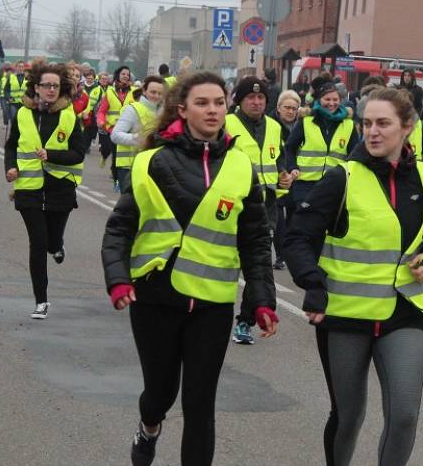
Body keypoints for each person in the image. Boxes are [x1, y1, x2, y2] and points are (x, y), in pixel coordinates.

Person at [101, 71, 277, 466]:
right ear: (182, 109)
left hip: (212, 305)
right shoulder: (150, 163)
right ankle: (149, 426)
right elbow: (120, 228)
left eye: (218, 102)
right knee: (160, 394)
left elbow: (254, 240)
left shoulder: (240, 166)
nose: (213, 110)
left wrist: (261, 299)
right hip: (156, 300)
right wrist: (117, 279)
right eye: (202, 103)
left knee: (200, 404)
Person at [284, 88, 423, 466]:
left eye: (383, 123)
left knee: (405, 416)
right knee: (349, 416)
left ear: (407, 127)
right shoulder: (342, 178)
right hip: (346, 315)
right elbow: (296, 237)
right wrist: (312, 284)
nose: (372, 132)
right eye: (367, 123)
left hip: (405, 311)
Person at [4, 61, 85, 319]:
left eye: (55, 86)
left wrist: (52, 154)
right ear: (36, 87)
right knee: (37, 244)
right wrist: (11, 167)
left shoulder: (69, 116)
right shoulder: (22, 114)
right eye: (46, 85)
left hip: (60, 189)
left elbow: (78, 153)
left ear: (62, 88)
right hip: (28, 189)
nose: (50, 90)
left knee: (51, 242)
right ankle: (41, 301)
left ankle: (58, 245)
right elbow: (10, 146)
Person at [223, 76, 283, 344]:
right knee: (228, 262)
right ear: (239, 100)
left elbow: (278, 159)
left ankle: (245, 320)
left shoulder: (274, 126)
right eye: (251, 98)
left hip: (265, 205)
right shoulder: (226, 124)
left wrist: (284, 175)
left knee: (259, 264)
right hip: (232, 202)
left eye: (261, 98)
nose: (257, 102)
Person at [283, 77, 359, 207]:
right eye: (327, 99)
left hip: (334, 186)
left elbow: (354, 156)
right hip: (305, 186)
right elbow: (289, 148)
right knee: (305, 224)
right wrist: (292, 167)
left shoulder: (349, 125)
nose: (331, 103)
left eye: (335, 100)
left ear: (340, 101)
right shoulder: (306, 122)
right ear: (319, 100)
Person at [110, 75, 164, 191]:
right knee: (129, 207)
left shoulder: (161, 113)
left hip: (150, 166)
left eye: (160, 93)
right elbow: (115, 135)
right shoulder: (133, 109)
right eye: (153, 92)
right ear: (144, 91)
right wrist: (139, 139)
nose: (156, 96)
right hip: (128, 167)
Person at [273, 90, 301, 272]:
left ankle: (288, 253)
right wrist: (283, 171)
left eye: (294, 108)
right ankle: (281, 255)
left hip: (297, 178)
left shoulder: (302, 127)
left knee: (293, 219)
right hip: (277, 177)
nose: (290, 112)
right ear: (278, 108)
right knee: (278, 220)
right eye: (287, 108)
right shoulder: (271, 125)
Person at [97, 66, 135, 192]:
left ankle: (129, 181)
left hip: (129, 131)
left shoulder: (134, 92)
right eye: (123, 74)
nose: (125, 76)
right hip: (113, 130)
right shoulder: (110, 92)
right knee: (115, 158)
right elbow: (102, 111)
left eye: (127, 74)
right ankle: (117, 182)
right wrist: (101, 121)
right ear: (118, 75)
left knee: (128, 159)